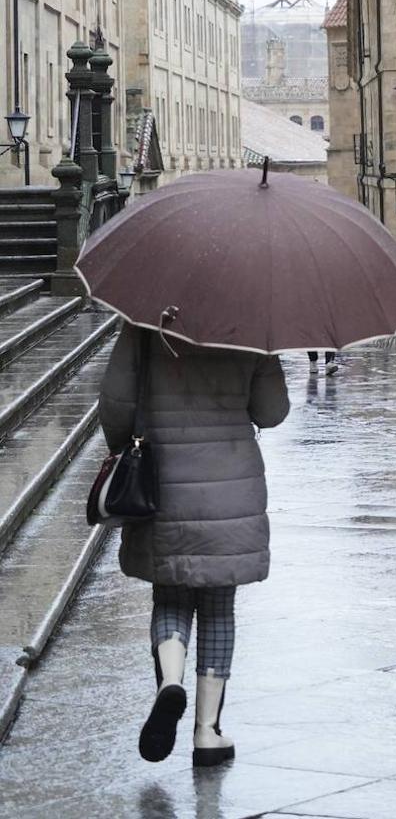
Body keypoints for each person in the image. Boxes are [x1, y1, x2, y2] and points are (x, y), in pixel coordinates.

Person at [99, 325, 290, 767]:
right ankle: (208, 731)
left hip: (164, 480)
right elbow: (271, 411)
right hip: (231, 485)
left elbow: (115, 403)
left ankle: (170, 681)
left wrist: (125, 451)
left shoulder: (144, 323)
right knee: (219, 606)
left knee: (170, 594)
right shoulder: (253, 321)